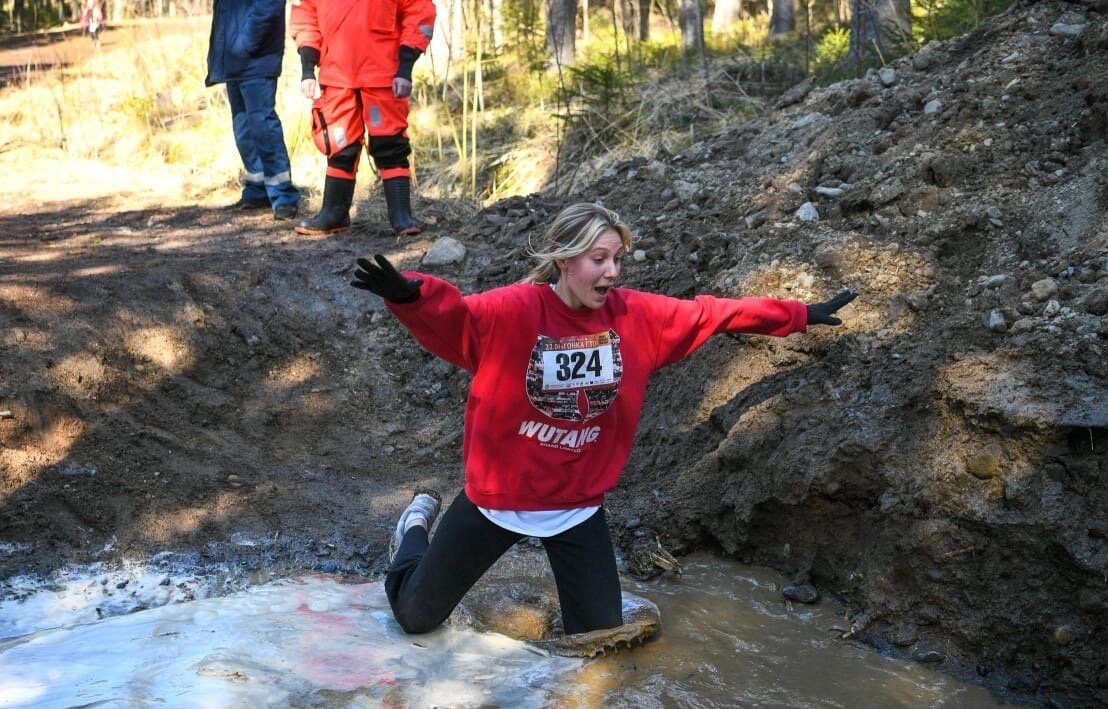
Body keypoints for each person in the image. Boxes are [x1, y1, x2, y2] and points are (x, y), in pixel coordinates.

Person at [351, 202, 859, 636]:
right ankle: (415, 527)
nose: (613, 271)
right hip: (497, 501)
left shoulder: (636, 317)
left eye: (617, 259)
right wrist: (409, 294)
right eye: (599, 259)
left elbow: (713, 314)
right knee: (415, 618)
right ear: (564, 261)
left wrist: (797, 314)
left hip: (575, 507)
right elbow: (452, 318)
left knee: (596, 643)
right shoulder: (511, 311)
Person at [289, 0, 435, 236]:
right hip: (335, 76)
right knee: (340, 148)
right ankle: (334, 214)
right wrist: (307, 69)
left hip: (384, 74)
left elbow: (420, 12)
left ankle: (401, 217)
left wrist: (405, 67)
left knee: (391, 145)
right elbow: (305, 18)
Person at [206, 0, 301, 220]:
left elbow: (269, 5)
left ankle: (283, 195)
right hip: (234, 60)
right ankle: (257, 190)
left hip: (256, 59)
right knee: (244, 131)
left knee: (263, 127)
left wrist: (244, 43)